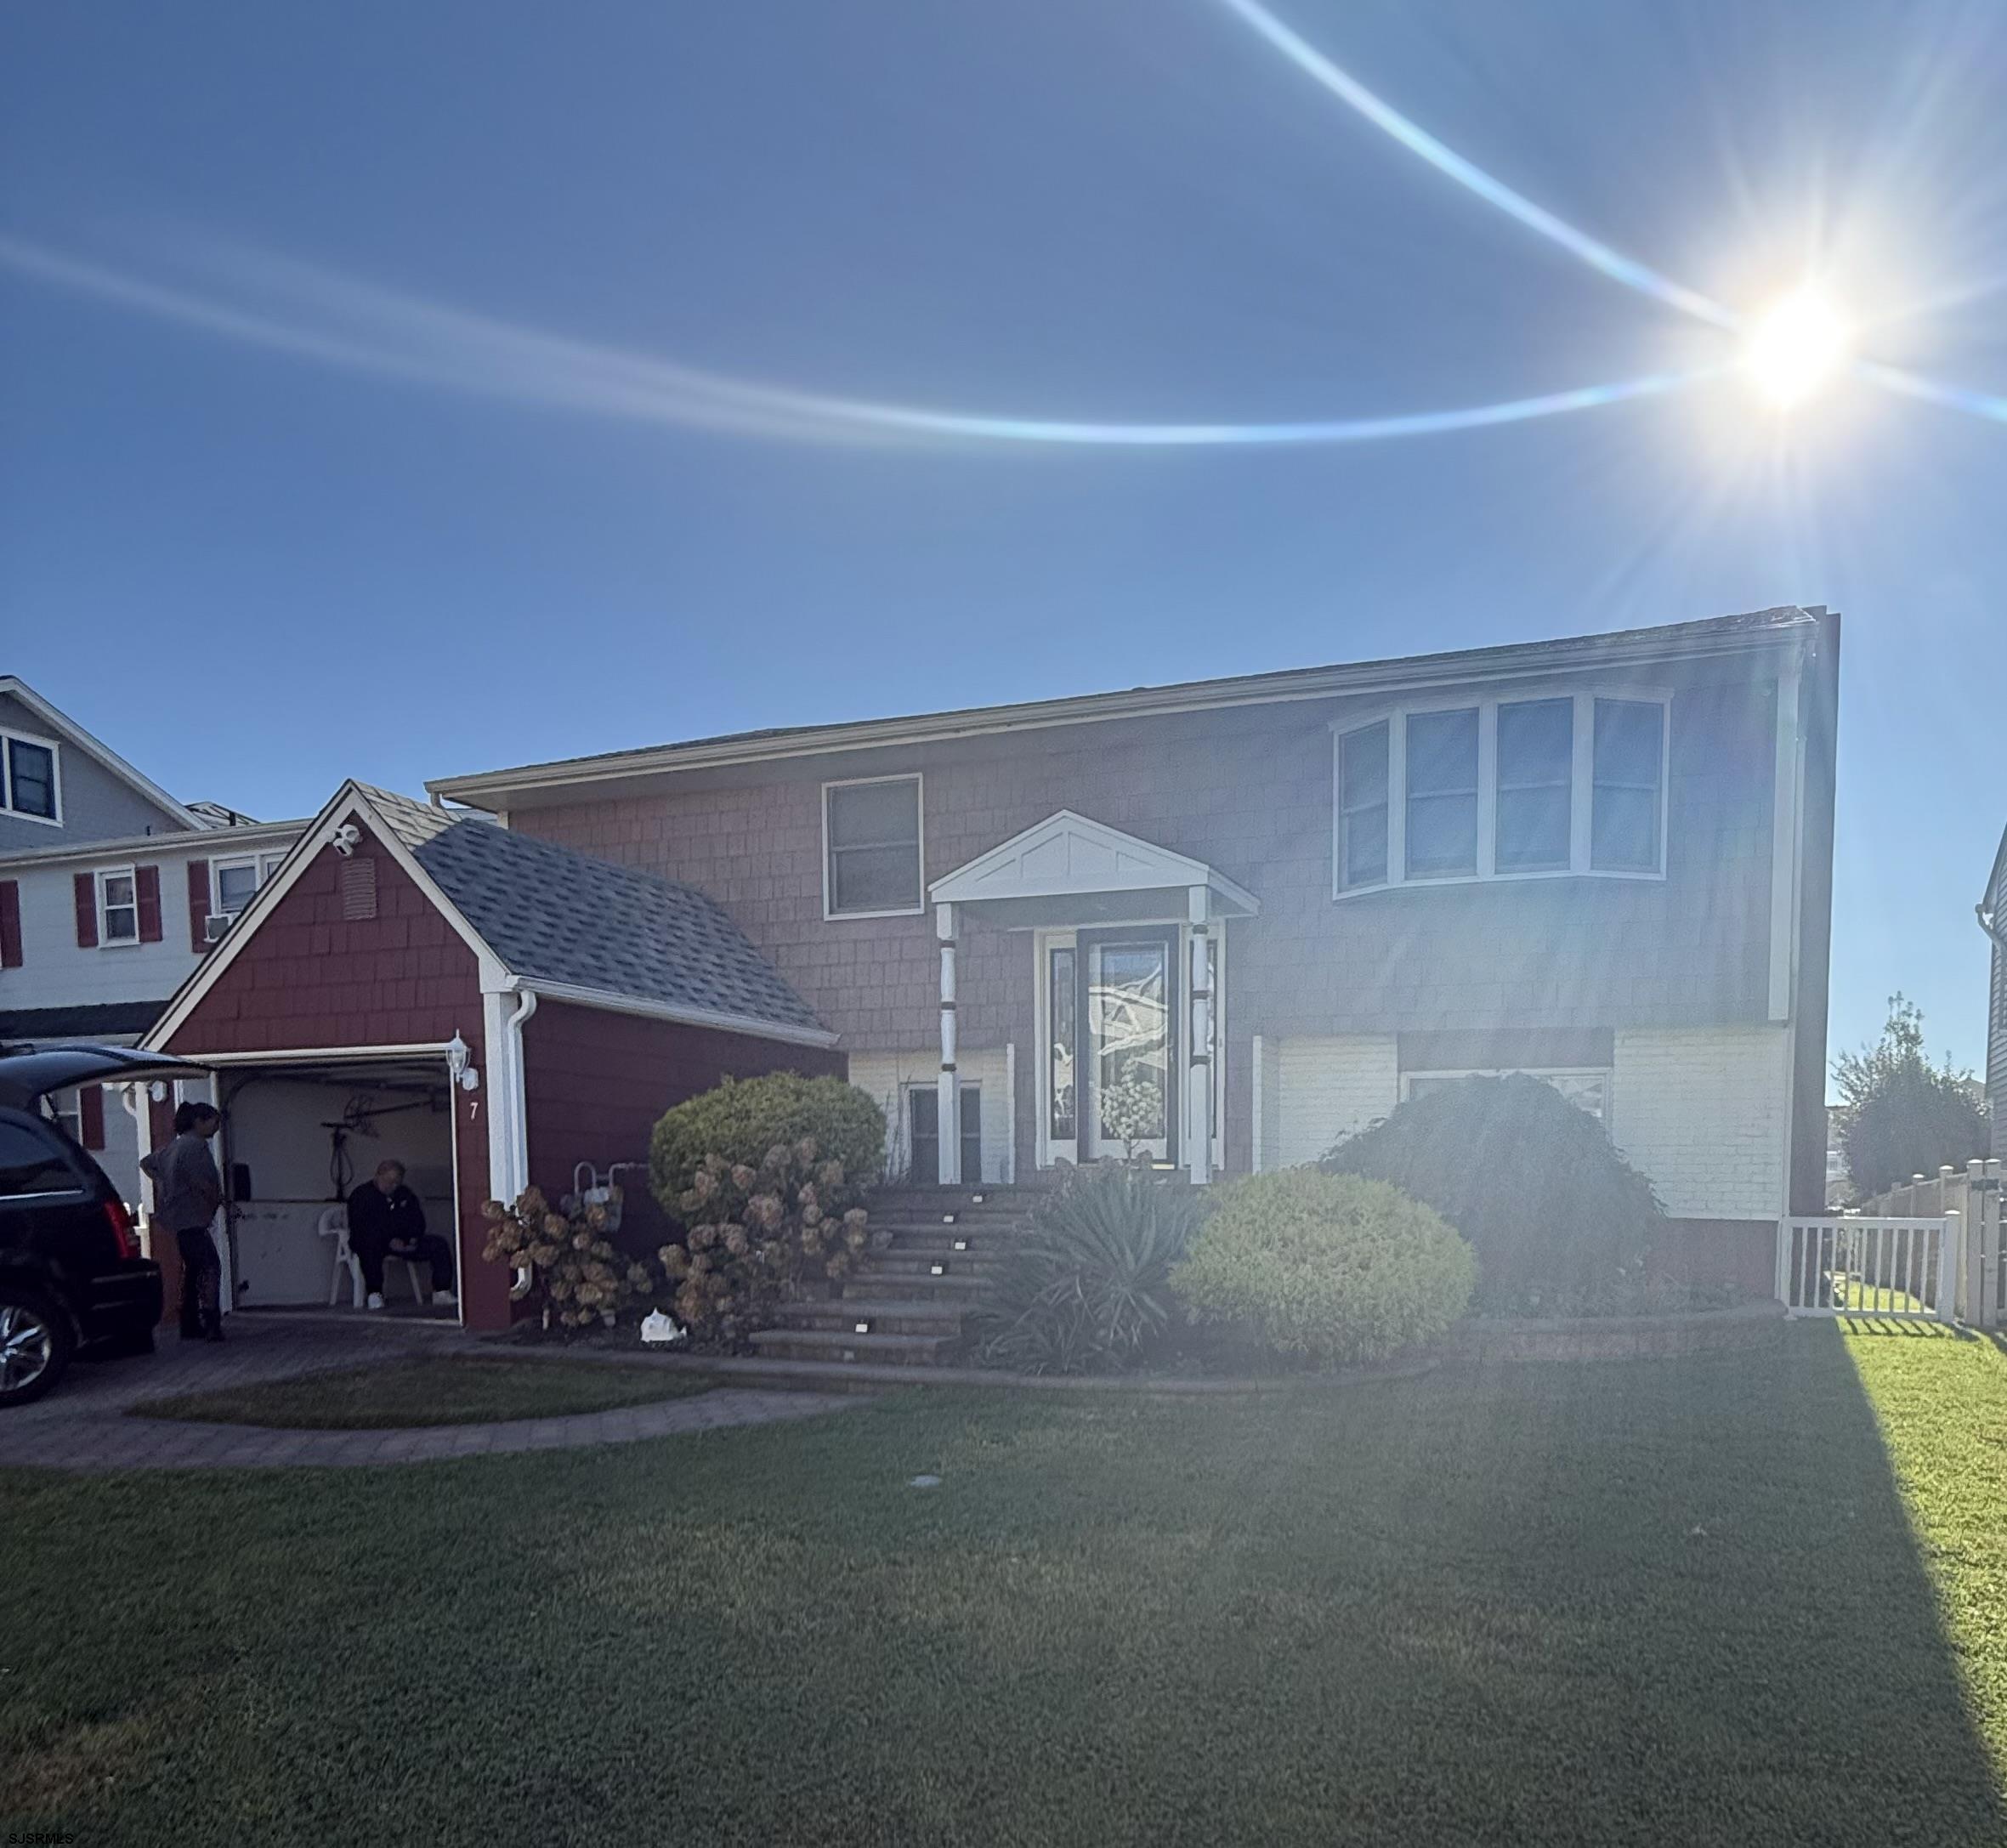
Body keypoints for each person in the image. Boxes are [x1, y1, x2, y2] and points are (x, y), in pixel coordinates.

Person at [140, 1101, 226, 1341]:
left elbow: (147, 1163)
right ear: (199, 1122)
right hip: (193, 1218)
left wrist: (165, 1183)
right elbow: (205, 1183)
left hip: (179, 1220)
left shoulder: (173, 1147)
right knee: (210, 1268)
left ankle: (189, 1323)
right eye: (214, 1121)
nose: (217, 1127)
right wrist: (217, 1200)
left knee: (193, 1270)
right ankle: (211, 1322)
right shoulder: (196, 1148)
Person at [345, 1159, 456, 1309]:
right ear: (378, 1175)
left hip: (404, 1242)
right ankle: (375, 1293)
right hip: (374, 1241)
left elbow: (417, 1220)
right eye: (389, 1181)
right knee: (369, 1248)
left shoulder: (404, 1194)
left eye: (397, 1182)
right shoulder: (361, 1195)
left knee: (438, 1244)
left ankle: (441, 1291)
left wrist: (412, 1239)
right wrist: (388, 1240)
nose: (393, 1186)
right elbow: (361, 1227)